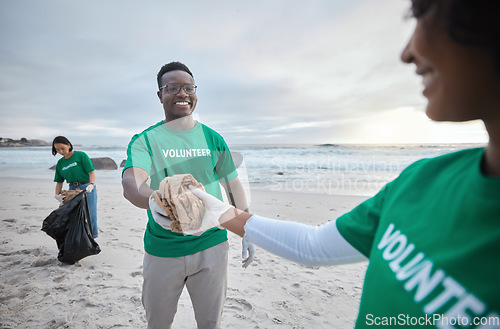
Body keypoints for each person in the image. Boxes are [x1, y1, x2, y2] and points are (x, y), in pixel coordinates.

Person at [176, 1, 500, 328]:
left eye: (422, 15)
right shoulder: (423, 180)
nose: (407, 52)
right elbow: (312, 246)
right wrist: (216, 210)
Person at [121, 61, 253, 329]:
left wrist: (246, 228)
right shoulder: (146, 140)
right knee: (158, 322)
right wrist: (151, 200)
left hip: (212, 245)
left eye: (188, 87)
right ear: (160, 95)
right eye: (172, 88)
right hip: (163, 249)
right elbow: (132, 182)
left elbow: (233, 185)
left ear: (195, 92)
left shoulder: (212, 137)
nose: (182, 93)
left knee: (209, 322)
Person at [52, 136, 98, 238]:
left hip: (87, 187)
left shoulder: (81, 155)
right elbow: (59, 182)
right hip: (72, 190)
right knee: (74, 215)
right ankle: (78, 237)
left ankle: (92, 237)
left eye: (62, 148)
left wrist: (92, 185)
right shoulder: (60, 163)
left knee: (90, 214)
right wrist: (57, 195)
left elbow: (91, 173)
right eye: (57, 150)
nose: (61, 151)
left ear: (69, 145)